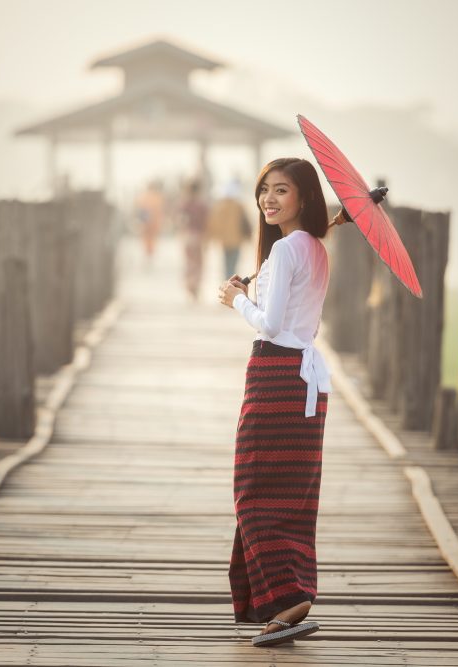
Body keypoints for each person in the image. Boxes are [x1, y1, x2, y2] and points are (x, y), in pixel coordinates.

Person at [218, 157, 347, 647]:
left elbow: (270, 325)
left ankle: (288, 596)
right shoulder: (314, 247)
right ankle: (282, 596)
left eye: (282, 190)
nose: (268, 200)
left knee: (252, 489)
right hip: (304, 379)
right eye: (264, 190)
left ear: (305, 198)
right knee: (290, 491)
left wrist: (237, 301)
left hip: (275, 374)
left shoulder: (292, 249)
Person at [206, 179, 251, 280]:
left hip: (225, 241)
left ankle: (227, 282)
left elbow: (214, 224)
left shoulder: (220, 207)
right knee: (234, 264)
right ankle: (232, 282)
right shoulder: (239, 206)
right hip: (237, 240)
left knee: (226, 264)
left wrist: (213, 237)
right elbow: (246, 222)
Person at [178, 178, 209, 301]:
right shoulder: (202, 205)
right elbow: (206, 222)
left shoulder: (184, 204)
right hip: (199, 236)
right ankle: (195, 287)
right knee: (198, 263)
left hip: (187, 236)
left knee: (189, 263)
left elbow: (180, 221)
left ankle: (190, 287)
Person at [134, 180, 165, 263]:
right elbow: (159, 211)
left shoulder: (143, 197)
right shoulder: (157, 197)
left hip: (147, 223)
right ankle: (150, 256)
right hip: (153, 223)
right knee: (151, 240)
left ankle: (148, 256)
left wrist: (141, 222)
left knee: (147, 240)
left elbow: (140, 210)